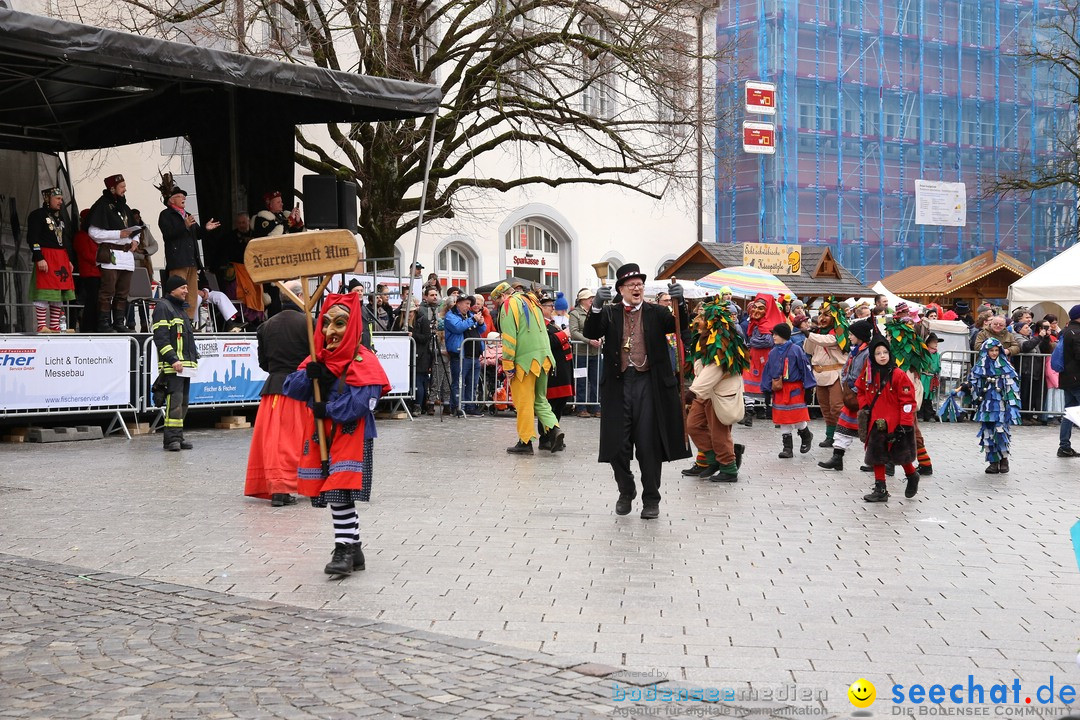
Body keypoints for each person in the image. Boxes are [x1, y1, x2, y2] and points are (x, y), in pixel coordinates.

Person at [282, 293, 391, 576]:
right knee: (338, 492)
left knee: (339, 490)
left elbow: (362, 402)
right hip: (324, 436)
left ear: (353, 325)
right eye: (326, 323)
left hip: (352, 435)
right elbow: (292, 387)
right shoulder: (319, 358)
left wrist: (327, 408)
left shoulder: (364, 360)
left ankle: (343, 549)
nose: (331, 331)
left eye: (340, 323)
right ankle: (353, 549)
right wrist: (312, 375)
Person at [582, 264, 690, 519]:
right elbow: (590, 332)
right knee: (616, 445)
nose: (636, 288)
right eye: (631, 285)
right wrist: (596, 305)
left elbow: (680, 326)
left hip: (648, 384)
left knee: (648, 445)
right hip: (619, 385)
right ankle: (626, 489)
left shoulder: (656, 312)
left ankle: (651, 498)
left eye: (640, 284)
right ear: (620, 289)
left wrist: (680, 301)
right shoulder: (610, 314)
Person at [245, 280, 310, 507]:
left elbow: (263, 363)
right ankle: (290, 485)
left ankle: (278, 486)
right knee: (295, 441)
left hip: (273, 389)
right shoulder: (308, 324)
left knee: (274, 442)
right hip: (299, 388)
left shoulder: (266, 325)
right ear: (300, 296)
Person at [490, 281, 564, 453]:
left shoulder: (509, 304)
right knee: (540, 399)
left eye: (498, 302)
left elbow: (509, 337)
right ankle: (554, 429)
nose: (499, 306)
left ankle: (525, 442)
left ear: (502, 296)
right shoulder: (532, 300)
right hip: (543, 358)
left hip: (524, 361)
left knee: (524, 402)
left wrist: (508, 364)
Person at [684, 298, 747, 482]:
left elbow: (715, 368)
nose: (697, 319)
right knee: (693, 425)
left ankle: (729, 468)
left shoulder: (724, 340)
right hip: (705, 392)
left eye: (702, 317)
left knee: (719, 433)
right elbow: (700, 364)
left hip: (719, 394)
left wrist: (693, 391)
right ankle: (713, 460)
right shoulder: (703, 338)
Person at [856, 335, 921, 502]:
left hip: (896, 421)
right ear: (872, 356)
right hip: (876, 421)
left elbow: (907, 400)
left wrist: (905, 424)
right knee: (877, 454)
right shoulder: (868, 373)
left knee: (899, 454)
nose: (882, 356)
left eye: (885, 352)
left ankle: (912, 474)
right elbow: (860, 390)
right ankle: (880, 488)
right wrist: (865, 406)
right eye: (878, 353)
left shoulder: (898, 374)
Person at [156, 175, 220, 322]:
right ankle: (174, 318)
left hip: (192, 260)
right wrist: (183, 225)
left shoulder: (188, 215)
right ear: (171, 200)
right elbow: (168, 234)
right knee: (177, 291)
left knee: (191, 293)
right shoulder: (166, 215)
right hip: (178, 260)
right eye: (179, 196)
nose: (183, 197)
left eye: (184, 195)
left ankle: (188, 320)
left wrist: (205, 229)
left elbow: (197, 234)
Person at [818, 319, 875, 472]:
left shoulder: (868, 353)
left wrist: (857, 390)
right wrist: (845, 383)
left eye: (851, 334)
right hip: (851, 397)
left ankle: (875, 461)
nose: (849, 337)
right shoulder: (854, 351)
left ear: (860, 335)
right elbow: (846, 370)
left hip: (862, 398)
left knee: (869, 429)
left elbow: (867, 376)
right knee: (842, 427)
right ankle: (837, 458)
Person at [151, 275, 200, 451]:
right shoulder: (164, 307)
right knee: (175, 403)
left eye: (187, 288)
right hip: (174, 366)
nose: (187, 291)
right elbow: (161, 338)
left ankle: (178, 436)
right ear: (172, 289)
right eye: (183, 288)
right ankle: (171, 440)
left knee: (183, 403)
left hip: (185, 366)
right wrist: (173, 359)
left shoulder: (180, 309)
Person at [959, 338, 1022, 474]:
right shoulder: (980, 366)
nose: (994, 353)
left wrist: (1012, 405)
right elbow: (973, 382)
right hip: (985, 405)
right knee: (987, 432)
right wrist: (968, 386)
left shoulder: (1006, 366)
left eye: (996, 350)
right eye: (991, 350)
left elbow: (1013, 388)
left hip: (1001, 405)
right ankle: (993, 461)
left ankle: (1004, 459)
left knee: (1000, 431)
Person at [88, 173, 138, 333]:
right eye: (122, 187)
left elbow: (134, 227)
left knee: (123, 293)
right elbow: (93, 232)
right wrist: (118, 234)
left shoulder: (125, 207)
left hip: (126, 256)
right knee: (107, 291)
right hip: (110, 255)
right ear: (112, 188)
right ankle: (103, 324)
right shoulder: (101, 205)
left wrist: (135, 240)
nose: (125, 189)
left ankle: (119, 323)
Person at [760, 323, 816, 458]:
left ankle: (806, 436)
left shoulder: (796, 349)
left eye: (776, 334)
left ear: (783, 336)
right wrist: (766, 390)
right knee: (783, 419)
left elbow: (804, 367)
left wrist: (808, 388)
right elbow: (767, 371)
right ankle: (787, 448)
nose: (773, 337)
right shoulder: (773, 352)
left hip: (794, 388)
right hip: (779, 388)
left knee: (797, 417)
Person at [25, 187, 75, 333]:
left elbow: (63, 240)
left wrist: (68, 260)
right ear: (48, 199)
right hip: (47, 256)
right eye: (58, 199)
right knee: (45, 290)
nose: (61, 202)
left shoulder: (59, 217)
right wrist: (39, 257)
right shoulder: (37, 215)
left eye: (61, 199)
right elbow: (32, 238)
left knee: (57, 292)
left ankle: (54, 326)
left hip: (60, 258)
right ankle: (42, 326)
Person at [804, 299, 850, 449]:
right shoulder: (817, 333)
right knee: (825, 407)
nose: (822, 318)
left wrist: (809, 334)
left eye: (827, 315)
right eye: (820, 314)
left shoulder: (839, 332)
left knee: (836, 407)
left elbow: (829, 341)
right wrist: (810, 334)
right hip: (820, 374)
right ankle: (830, 436)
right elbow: (808, 350)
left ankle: (841, 437)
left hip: (835, 374)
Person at [252, 191, 303, 316]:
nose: (282, 204)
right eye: (278, 202)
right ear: (270, 204)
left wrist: (297, 221)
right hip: (269, 264)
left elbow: (295, 233)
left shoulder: (283, 216)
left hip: (285, 262)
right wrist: (290, 220)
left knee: (287, 293)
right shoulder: (262, 218)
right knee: (272, 297)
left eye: (281, 201)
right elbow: (272, 232)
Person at [739, 294, 786, 426]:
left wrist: (752, 342)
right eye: (755, 307)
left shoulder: (768, 324)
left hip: (766, 359)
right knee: (748, 382)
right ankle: (749, 413)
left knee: (770, 386)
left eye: (761, 308)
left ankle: (775, 414)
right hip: (753, 358)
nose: (756, 311)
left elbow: (768, 341)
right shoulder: (754, 324)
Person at [538, 293, 574, 446]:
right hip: (553, 369)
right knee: (550, 405)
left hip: (562, 368)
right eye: (548, 305)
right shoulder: (540, 325)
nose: (552, 307)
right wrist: (564, 334)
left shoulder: (552, 323)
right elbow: (549, 342)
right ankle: (545, 437)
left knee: (560, 404)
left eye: (552, 305)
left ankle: (554, 435)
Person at [443, 292, 486, 418]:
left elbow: (482, 330)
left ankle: (470, 406)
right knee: (458, 382)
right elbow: (458, 327)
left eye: (469, 304)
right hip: (460, 355)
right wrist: (473, 320)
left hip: (474, 355)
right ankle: (457, 407)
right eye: (467, 303)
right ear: (459, 303)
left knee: (472, 383)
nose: (469, 306)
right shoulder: (450, 316)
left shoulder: (470, 315)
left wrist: (481, 323)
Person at [568, 288, 602, 418]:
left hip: (595, 352)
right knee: (581, 380)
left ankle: (595, 407)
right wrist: (588, 341)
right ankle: (581, 407)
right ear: (582, 300)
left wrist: (601, 339)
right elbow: (574, 331)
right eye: (589, 298)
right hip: (581, 353)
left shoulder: (596, 312)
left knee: (596, 380)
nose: (592, 300)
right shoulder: (575, 313)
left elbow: (602, 327)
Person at [1057, 304, 1080, 457]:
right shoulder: (1077, 332)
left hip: (1067, 377)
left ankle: (1064, 446)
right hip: (1077, 378)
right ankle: (1064, 446)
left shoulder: (1065, 331)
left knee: (1069, 413)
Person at [72, 209, 101, 332]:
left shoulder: (91, 236)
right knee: (91, 301)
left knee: (96, 301)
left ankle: (94, 326)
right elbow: (88, 255)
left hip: (98, 272)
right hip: (89, 273)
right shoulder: (81, 236)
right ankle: (88, 327)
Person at [412, 286, 439, 415]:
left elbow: (426, 335)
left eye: (436, 294)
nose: (435, 297)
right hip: (421, 351)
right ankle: (422, 404)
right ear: (426, 296)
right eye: (432, 295)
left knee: (426, 379)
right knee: (420, 379)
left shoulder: (438, 310)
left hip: (427, 351)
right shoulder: (422, 312)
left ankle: (425, 404)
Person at [918, 333, 942, 422]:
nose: (936, 344)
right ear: (928, 343)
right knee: (922, 395)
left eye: (936, 342)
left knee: (929, 397)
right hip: (924, 377)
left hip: (931, 378)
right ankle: (920, 414)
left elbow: (938, 366)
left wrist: (935, 370)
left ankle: (929, 415)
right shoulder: (923, 353)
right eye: (934, 342)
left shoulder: (938, 355)